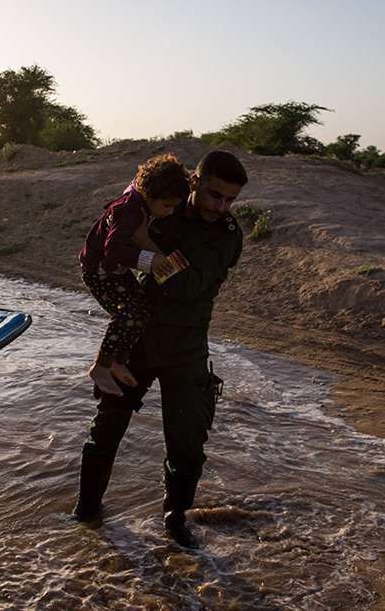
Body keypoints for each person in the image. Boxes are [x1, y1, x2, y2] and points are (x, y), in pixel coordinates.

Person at [73, 150, 248, 548]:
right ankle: (85, 517)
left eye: (230, 200)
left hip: (186, 346)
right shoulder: (159, 206)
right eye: (215, 195)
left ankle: (176, 528)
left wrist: (150, 255)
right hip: (139, 341)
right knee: (105, 432)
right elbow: (114, 236)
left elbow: (190, 287)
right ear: (195, 182)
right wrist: (152, 254)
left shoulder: (226, 235)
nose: (221, 207)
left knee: (187, 445)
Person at [79, 153, 189, 395]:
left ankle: (117, 361)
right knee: (127, 314)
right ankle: (101, 367)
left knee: (142, 310)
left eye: (174, 206)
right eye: (167, 206)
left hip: (114, 269)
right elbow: (113, 249)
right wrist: (150, 261)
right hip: (100, 271)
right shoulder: (131, 210)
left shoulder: (139, 197)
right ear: (149, 195)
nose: (171, 212)